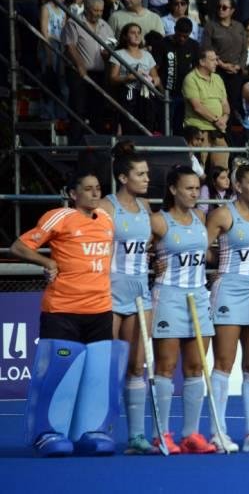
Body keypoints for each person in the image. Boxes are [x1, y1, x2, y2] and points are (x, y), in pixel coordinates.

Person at [12, 169, 123, 457]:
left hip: (100, 309)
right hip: (63, 309)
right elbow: (20, 247)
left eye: (98, 188)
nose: (95, 193)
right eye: (88, 189)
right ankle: (48, 432)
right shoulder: (58, 217)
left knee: (96, 373)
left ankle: (91, 430)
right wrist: (46, 263)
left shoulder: (108, 220)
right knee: (59, 373)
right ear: (73, 194)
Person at [205, 163, 249, 453]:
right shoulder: (223, 213)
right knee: (224, 362)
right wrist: (219, 266)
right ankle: (217, 431)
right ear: (239, 186)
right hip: (230, 290)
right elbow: (201, 247)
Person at [149, 166, 216, 454]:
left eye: (196, 188)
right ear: (173, 190)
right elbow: (137, 253)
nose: (193, 193)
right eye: (188, 188)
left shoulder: (201, 218)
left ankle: (191, 434)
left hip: (199, 295)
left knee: (195, 366)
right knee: (165, 366)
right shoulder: (159, 222)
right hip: (169, 296)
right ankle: (159, 434)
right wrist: (151, 263)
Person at [94, 144, 153, 455]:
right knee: (107, 366)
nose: (146, 179)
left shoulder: (145, 209)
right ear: (122, 177)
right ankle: (100, 430)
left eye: (147, 174)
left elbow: (157, 241)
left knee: (136, 366)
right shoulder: (106, 207)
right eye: (140, 174)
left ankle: (137, 436)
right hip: (109, 292)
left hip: (140, 293)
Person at [63, 0, 114, 144]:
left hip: (99, 73)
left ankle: (96, 143)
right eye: (95, 10)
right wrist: (80, 65)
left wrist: (107, 54)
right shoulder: (74, 23)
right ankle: (75, 144)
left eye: (101, 10)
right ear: (87, 8)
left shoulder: (106, 26)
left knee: (97, 110)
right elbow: (70, 46)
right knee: (78, 108)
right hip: (78, 73)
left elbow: (112, 46)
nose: (98, 13)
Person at [183, 48, 230, 170]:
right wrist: (216, 120)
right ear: (202, 62)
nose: (216, 63)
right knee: (198, 168)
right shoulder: (190, 79)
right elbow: (197, 107)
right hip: (199, 130)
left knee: (222, 168)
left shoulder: (218, 78)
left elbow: (225, 104)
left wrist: (224, 118)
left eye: (217, 59)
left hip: (218, 130)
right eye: (213, 60)